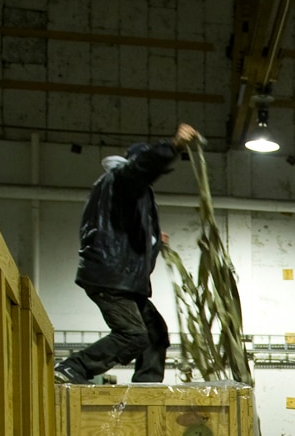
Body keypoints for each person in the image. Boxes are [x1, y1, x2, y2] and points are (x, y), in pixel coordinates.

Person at [56, 123, 198, 384]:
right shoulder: (122, 180)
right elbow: (140, 169)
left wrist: (154, 242)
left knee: (155, 332)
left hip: (123, 279)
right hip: (111, 278)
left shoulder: (128, 194)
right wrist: (173, 146)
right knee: (133, 335)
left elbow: (122, 229)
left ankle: (147, 386)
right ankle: (72, 368)